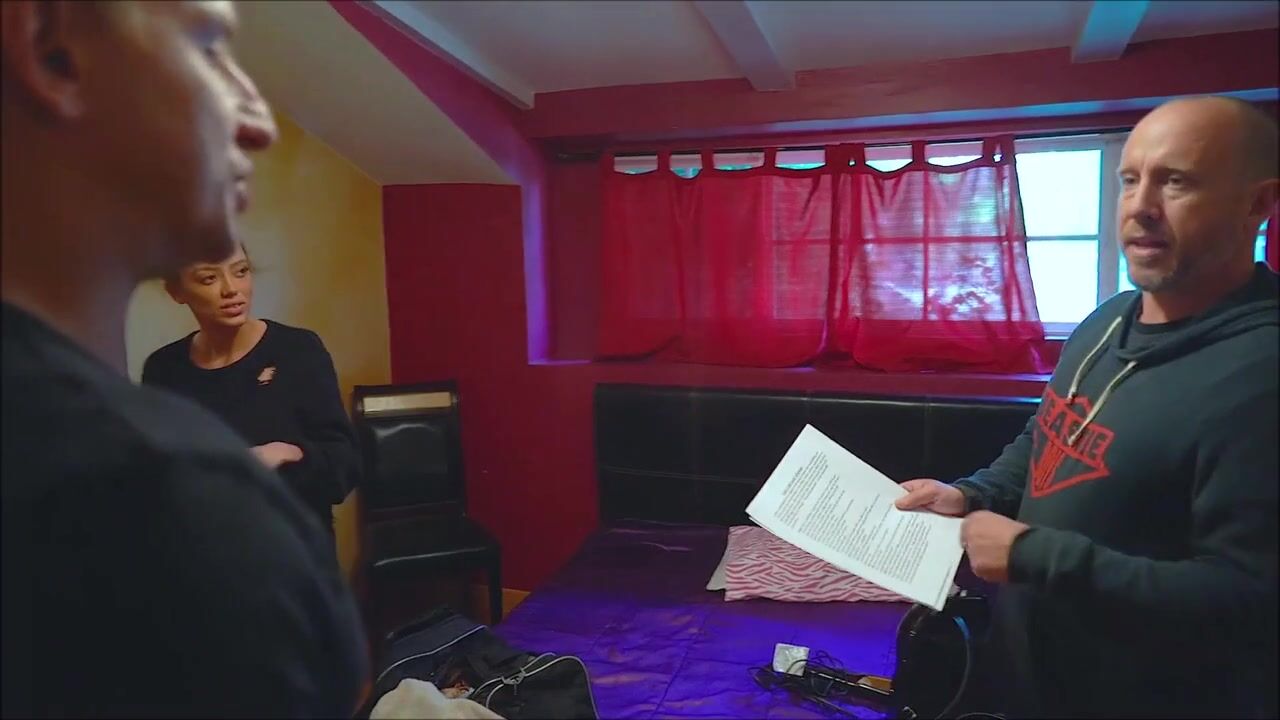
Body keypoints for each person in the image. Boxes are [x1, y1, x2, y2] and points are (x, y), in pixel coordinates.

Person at [2, 1, 367, 716]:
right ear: (49, 50)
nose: (256, 120)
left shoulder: (280, 366)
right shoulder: (159, 472)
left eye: (241, 272)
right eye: (205, 47)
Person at [896, 95, 1278, 718]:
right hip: (1031, 675)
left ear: (1258, 203)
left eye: (1176, 181)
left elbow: (1250, 598)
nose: (1140, 206)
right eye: (1130, 179)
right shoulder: (1105, 320)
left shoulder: (1261, 371)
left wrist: (1034, 556)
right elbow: (1050, 433)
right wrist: (971, 494)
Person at [142, 244, 361, 533]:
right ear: (176, 291)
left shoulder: (297, 350)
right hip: (206, 547)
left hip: (292, 547)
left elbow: (345, 465)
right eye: (209, 278)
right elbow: (159, 479)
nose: (231, 289)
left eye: (241, 271)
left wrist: (289, 453)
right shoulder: (164, 369)